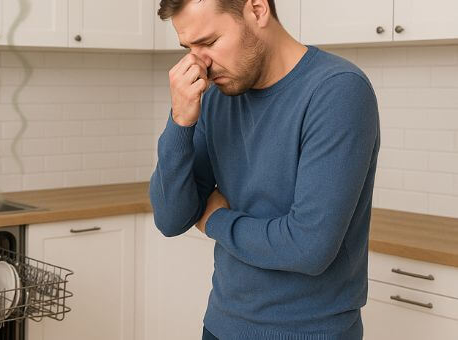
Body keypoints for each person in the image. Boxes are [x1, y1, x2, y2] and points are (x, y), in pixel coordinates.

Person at [149, 0, 380, 339]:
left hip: (312, 332)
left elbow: (308, 248)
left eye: (210, 42)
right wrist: (180, 121)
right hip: (221, 324)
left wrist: (216, 219)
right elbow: (171, 219)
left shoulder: (338, 90)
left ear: (257, 10)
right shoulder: (215, 97)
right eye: (188, 48)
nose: (200, 63)